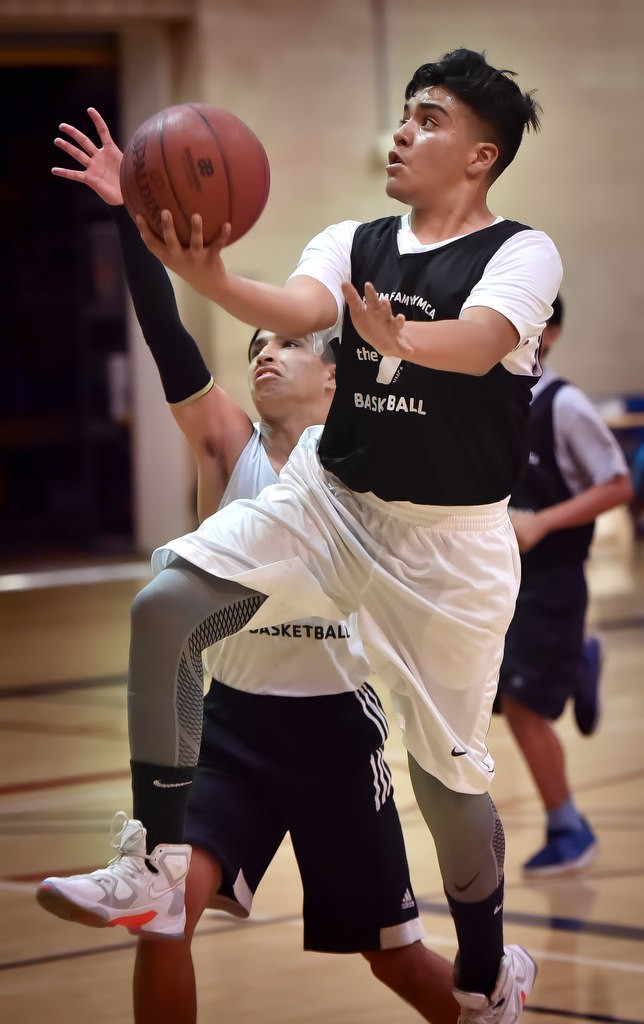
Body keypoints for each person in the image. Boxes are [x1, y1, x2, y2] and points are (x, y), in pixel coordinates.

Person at [38, 49, 564, 1023]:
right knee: (162, 607)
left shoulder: (515, 257)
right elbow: (245, 318)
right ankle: (150, 867)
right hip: (262, 659)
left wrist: (400, 341)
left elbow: (485, 338)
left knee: (436, 839)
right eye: (400, 114)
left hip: (390, 638)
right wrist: (180, 252)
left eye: (424, 117)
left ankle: (488, 978)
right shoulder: (251, 417)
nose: (269, 356)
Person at [498, 295, 633, 876]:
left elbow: (619, 485)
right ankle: (577, 660)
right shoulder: (489, 400)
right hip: (500, 581)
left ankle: (568, 829)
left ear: (548, 332)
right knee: (495, 701)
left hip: (551, 580)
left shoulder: (564, 404)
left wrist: (545, 521)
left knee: (524, 708)